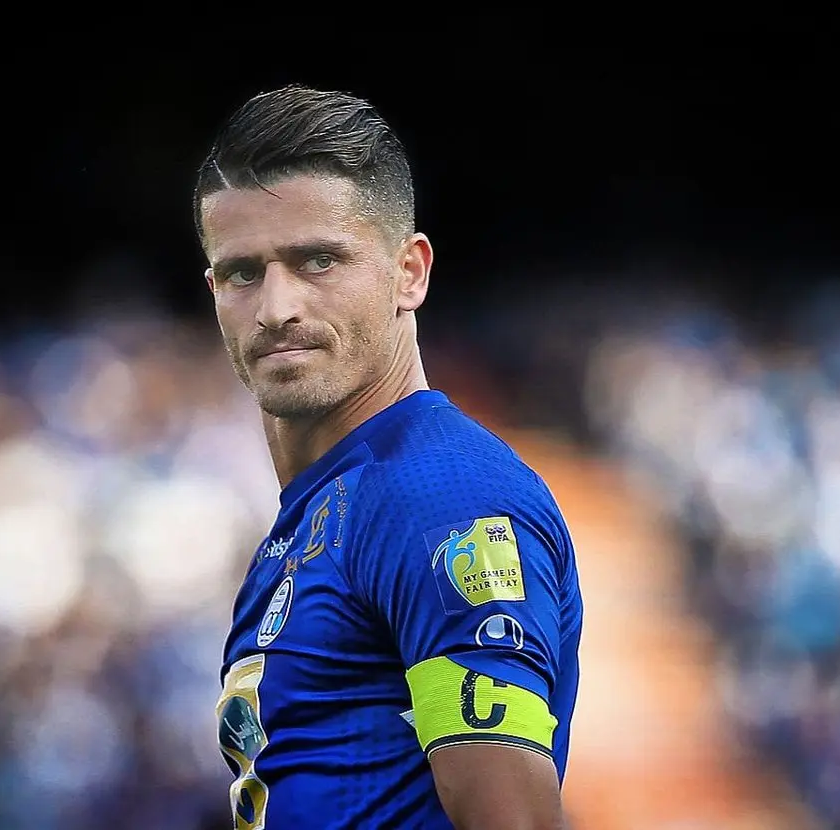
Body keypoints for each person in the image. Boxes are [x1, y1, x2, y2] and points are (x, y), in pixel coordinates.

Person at [194, 84, 583, 830]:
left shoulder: (440, 497)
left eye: (318, 260)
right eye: (243, 272)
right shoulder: (320, 511)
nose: (276, 308)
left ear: (410, 273)